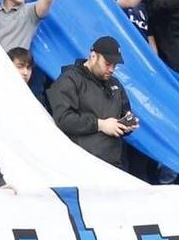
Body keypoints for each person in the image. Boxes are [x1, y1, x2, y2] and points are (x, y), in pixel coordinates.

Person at [48, 36, 135, 167]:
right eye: (107, 63)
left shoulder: (115, 84)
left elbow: (124, 114)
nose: (111, 69)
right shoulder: (70, 79)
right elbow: (63, 119)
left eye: (115, 65)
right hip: (80, 163)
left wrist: (128, 124)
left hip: (114, 164)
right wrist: (100, 124)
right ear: (93, 56)